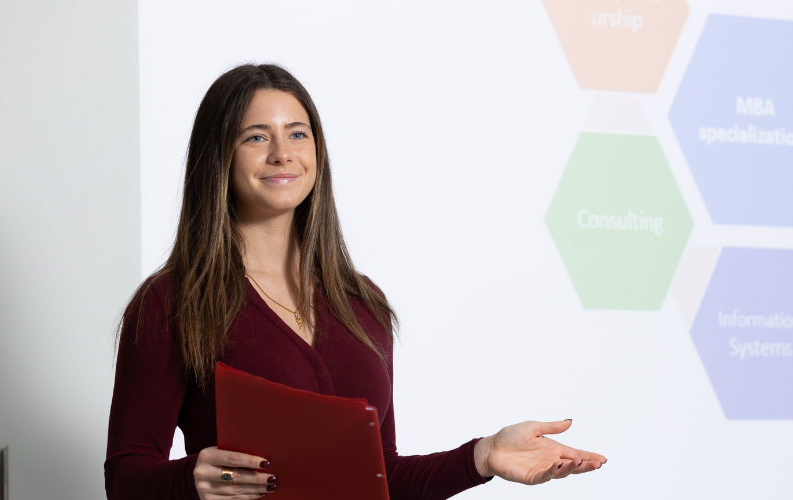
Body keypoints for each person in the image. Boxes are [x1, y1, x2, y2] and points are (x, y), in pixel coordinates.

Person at [104, 64, 605, 500]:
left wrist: (482, 456)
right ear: (220, 156)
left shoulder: (362, 302)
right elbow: (124, 476)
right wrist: (189, 481)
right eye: (256, 136)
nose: (283, 153)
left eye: (298, 134)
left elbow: (381, 478)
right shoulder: (172, 302)